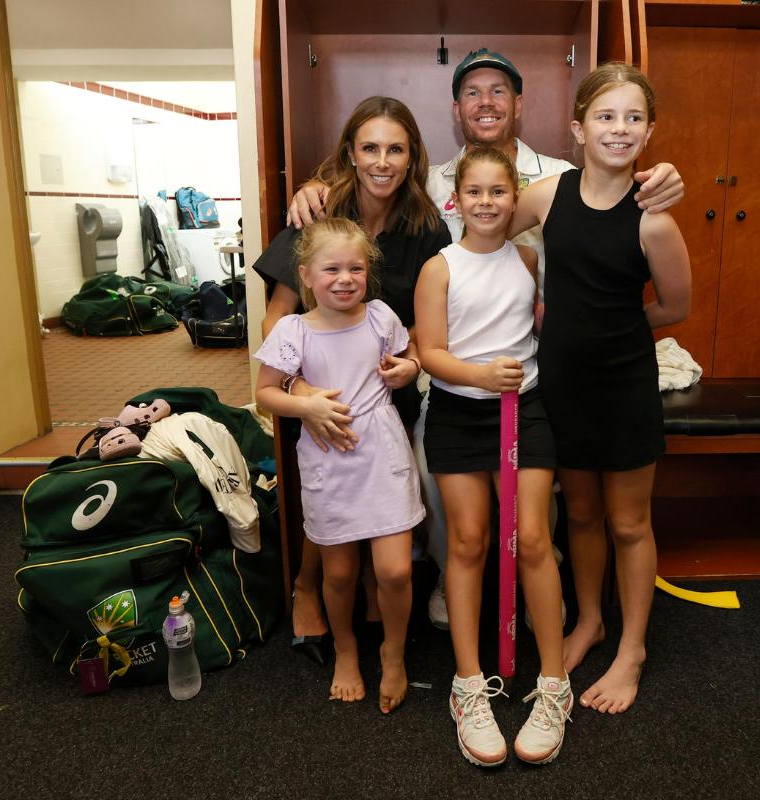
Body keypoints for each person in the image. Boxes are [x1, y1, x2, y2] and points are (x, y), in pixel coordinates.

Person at [287, 49, 685, 631]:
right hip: (445, 360)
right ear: (457, 109)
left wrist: (661, 176)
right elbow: (375, 174)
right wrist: (314, 185)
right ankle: (457, 576)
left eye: (499, 90)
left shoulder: (553, 176)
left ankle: (536, 584)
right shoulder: (429, 182)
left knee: (554, 498)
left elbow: (616, 197)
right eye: (473, 92)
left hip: (534, 362)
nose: (487, 102)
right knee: (433, 469)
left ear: (520, 104)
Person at [509, 63, 691, 714]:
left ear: (649, 131)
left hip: (624, 385)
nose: (620, 129)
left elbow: (674, 306)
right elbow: (490, 240)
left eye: (634, 117)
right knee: (579, 513)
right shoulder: (546, 195)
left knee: (627, 521)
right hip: (561, 379)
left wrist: (610, 328)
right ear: (578, 127)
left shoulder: (654, 220)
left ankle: (633, 649)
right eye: (607, 116)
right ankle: (590, 620)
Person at [252, 97, 450, 664]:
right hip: (318, 390)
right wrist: (297, 388)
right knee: (330, 494)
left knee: (379, 492)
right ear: (350, 153)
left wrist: (403, 358)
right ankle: (309, 588)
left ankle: (372, 595)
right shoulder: (316, 215)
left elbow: (428, 321)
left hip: (387, 394)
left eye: (396, 149)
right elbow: (278, 315)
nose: (383, 161)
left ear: (413, 159)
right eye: (370, 148)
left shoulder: (425, 226)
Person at [415, 147, 570, 766]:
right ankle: (467, 686)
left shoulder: (530, 258)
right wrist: (480, 376)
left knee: (532, 538)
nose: (485, 202)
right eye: (473, 192)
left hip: (524, 409)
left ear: (516, 199)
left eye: (498, 192)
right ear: (456, 200)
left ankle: (554, 684)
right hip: (460, 412)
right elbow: (429, 352)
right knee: (469, 540)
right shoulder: (439, 267)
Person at [254, 217, 424, 712]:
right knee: (341, 571)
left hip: (383, 456)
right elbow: (264, 393)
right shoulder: (293, 330)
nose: (345, 279)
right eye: (331, 269)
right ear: (305, 275)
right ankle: (347, 650)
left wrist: (408, 369)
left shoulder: (380, 317)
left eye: (355, 268)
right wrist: (305, 405)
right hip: (329, 462)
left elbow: (409, 357)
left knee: (394, 571)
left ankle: (393, 654)